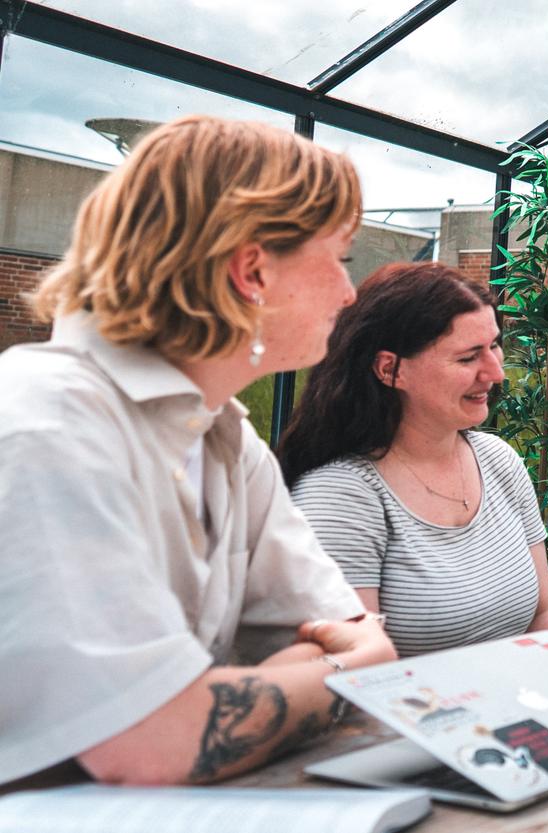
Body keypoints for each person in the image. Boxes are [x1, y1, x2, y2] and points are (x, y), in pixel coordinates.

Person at [0, 115, 395, 787]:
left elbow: (348, 630)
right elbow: (154, 743)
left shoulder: (225, 439)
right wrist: (345, 671)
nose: (350, 291)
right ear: (251, 271)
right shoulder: (47, 422)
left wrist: (231, 691)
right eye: (340, 258)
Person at [279, 262, 548, 657]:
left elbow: (545, 617)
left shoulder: (498, 461)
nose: (496, 372)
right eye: (468, 358)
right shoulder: (341, 496)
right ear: (389, 369)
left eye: (495, 346)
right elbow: (357, 673)